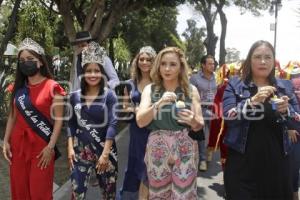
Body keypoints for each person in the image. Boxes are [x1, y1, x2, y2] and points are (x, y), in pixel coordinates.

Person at [222, 40, 300, 199]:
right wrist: (252, 102)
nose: (263, 61)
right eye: (257, 57)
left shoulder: (285, 86)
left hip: (277, 165)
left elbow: (297, 124)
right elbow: (228, 117)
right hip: (241, 164)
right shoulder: (235, 84)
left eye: (268, 57)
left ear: (274, 61)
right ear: (250, 60)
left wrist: (286, 112)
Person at [136, 47, 204, 199]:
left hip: (186, 144)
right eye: (163, 64)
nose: (167, 68)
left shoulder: (191, 90)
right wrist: (158, 104)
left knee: (184, 194)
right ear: (158, 66)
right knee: (159, 193)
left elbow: (200, 123)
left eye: (173, 64)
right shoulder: (150, 89)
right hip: (157, 146)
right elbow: (140, 121)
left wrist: (193, 121)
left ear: (181, 67)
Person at [2, 38, 65, 200]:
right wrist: (6, 141)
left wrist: (50, 147)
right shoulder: (18, 88)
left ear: (41, 62)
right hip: (18, 146)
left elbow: (59, 120)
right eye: (22, 60)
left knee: (39, 193)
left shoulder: (52, 87)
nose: (26, 63)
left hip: (41, 148)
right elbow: (13, 116)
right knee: (20, 190)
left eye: (30, 59)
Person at [67, 41, 118, 199]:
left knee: (108, 194)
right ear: (83, 72)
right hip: (80, 151)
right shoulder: (74, 96)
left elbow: (112, 124)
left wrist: (105, 154)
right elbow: (70, 123)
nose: (93, 74)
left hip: (105, 150)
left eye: (97, 70)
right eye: (89, 70)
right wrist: (70, 148)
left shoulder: (109, 95)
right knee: (77, 193)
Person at [119, 46, 156, 200]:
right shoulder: (129, 83)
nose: (145, 62)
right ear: (137, 61)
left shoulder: (159, 83)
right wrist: (137, 110)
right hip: (136, 131)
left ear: (154, 62)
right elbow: (125, 107)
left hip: (154, 130)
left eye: (148, 59)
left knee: (151, 166)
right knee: (136, 165)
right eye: (142, 59)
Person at [190, 54, 217, 171]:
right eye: (210, 63)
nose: (213, 66)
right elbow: (189, 94)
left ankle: (209, 152)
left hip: (214, 109)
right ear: (203, 65)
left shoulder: (217, 77)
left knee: (213, 134)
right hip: (200, 109)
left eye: (213, 63)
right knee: (201, 136)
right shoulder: (195, 78)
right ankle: (202, 160)